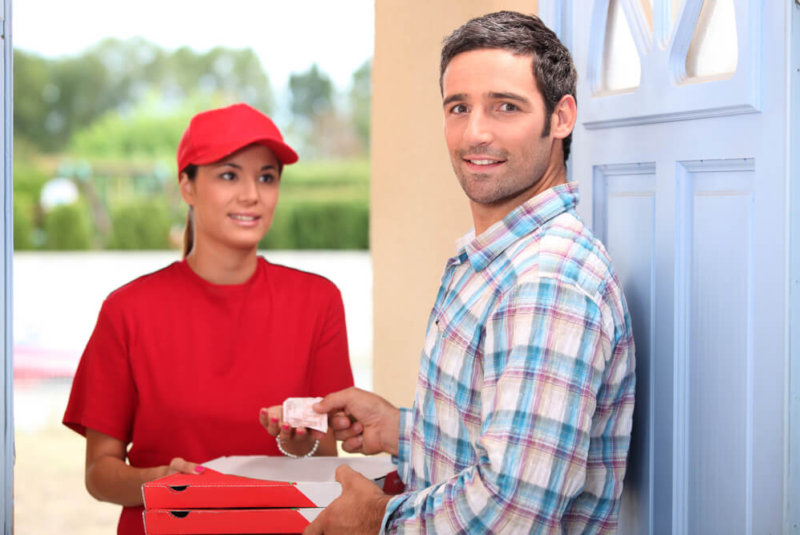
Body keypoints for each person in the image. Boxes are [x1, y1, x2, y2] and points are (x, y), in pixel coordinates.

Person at [303, 11, 636, 534]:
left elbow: (513, 511)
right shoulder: (497, 257)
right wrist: (401, 429)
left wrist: (376, 519)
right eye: (459, 107)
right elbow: (501, 448)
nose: (475, 133)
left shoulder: (546, 282)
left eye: (506, 106)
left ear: (562, 117)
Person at [62, 103, 354, 535]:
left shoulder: (318, 302)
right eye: (229, 175)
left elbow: (325, 456)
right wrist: (157, 481)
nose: (252, 194)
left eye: (266, 177)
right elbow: (99, 474)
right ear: (187, 186)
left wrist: (302, 445)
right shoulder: (128, 310)